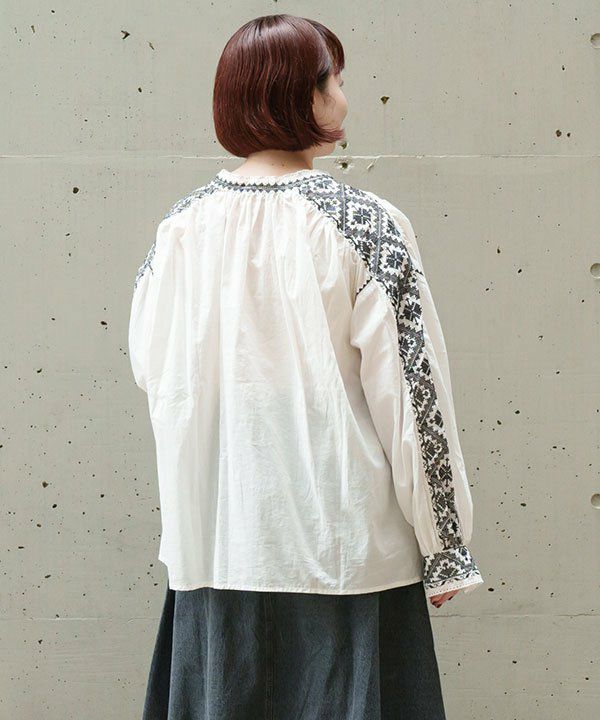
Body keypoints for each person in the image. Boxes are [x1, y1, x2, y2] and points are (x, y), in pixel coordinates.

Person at [129, 13, 484, 720]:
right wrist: (445, 545)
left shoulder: (180, 231)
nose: (345, 98)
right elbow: (414, 396)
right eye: (335, 81)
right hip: (345, 556)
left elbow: (154, 372)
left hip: (217, 549)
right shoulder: (368, 225)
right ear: (302, 95)